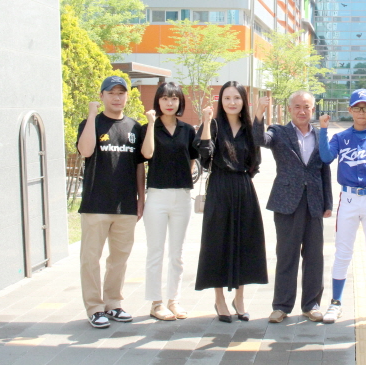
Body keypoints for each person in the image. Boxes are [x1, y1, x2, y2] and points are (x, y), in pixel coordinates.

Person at [252, 92, 333, 323]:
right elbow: (258, 139)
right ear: (289, 109)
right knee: (287, 255)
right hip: (286, 202)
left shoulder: (320, 134)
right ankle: (281, 306)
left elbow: (324, 169)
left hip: (314, 202)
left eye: (306, 107)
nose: (302, 111)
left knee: (314, 256)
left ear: (313, 109)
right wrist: (259, 112)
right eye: (297, 106)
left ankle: (311, 305)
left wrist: (328, 202)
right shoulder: (278, 132)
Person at [318, 89, 366, 324]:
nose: (361, 112)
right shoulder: (341, 137)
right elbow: (325, 157)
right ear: (350, 110)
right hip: (349, 199)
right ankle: (336, 303)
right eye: (357, 108)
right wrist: (323, 130)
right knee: (342, 252)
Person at [76, 76, 145, 329]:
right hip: (96, 204)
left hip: (125, 205)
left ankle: (113, 303)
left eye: (121, 93)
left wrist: (141, 198)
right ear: (102, 96)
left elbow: (139, 166)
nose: (117, 97)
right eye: (111, 93)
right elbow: (85, 151)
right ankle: (94, 308)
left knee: (119, 259)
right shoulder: (91, 123)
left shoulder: (134, 127)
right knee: (90, 259)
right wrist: (91, 115)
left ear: (127, 96)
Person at [195, 81, 267, 322]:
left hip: (244, 189)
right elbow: (204, 157)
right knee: (217, 242)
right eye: (227, 98)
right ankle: (219, 300)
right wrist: (206, 123)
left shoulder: (249, 128)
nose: (232, 102)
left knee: (245, 242)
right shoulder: (214, 125)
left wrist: (260, 114)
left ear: (243, 101)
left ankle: (240, 298)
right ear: (220, 101)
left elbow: (255, 161)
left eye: (237, 98)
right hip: (219, 187)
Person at [139, 82, 199, 321]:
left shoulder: (188, 130)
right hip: (157, 196)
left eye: (174, 98)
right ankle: (156, 303)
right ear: (158, 101)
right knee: (155, 251)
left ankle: (174, 300)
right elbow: (147, 154)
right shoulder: (149, 127)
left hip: (182, 196)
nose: (170, 103)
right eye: (165, 98)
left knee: (177, 253)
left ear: (180, 101)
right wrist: (151, 123)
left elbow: (192, 159)